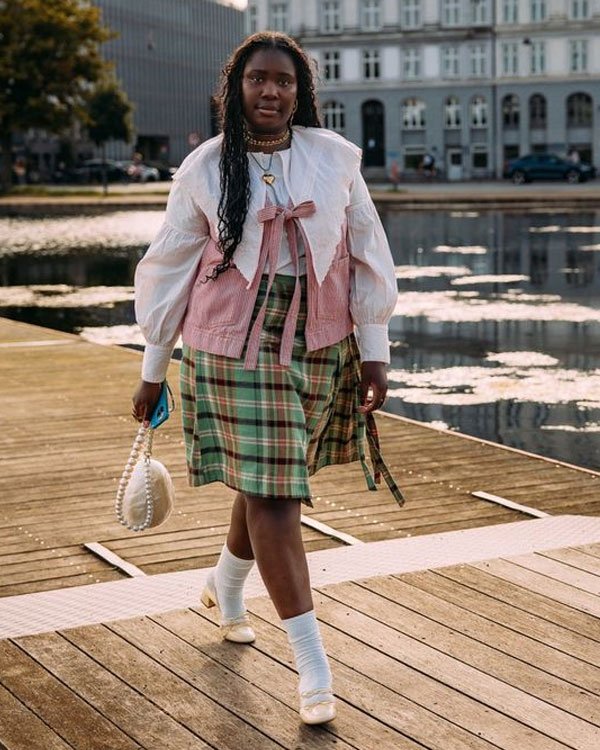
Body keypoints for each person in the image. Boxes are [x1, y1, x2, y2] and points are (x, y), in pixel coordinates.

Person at [132, 31, 401, 726]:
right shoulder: (202, 168)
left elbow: (367, 251)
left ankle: (222, 589)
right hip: (231, 348)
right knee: (277, 495)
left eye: (283, 80)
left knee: (266, 478)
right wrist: (153, 370)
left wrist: (375, 350)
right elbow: (167, 269)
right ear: (236, 88)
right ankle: (312, 664)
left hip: (318, 341)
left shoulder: (335, 160)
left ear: (300, 91)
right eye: (258, 79)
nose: (271, 91)